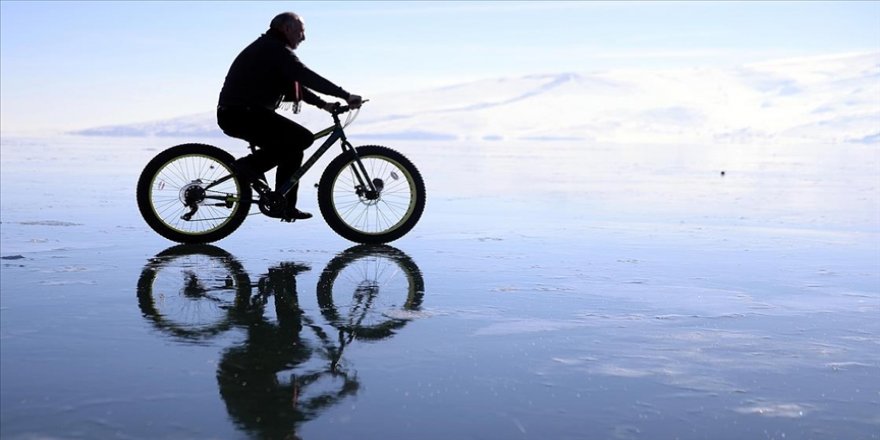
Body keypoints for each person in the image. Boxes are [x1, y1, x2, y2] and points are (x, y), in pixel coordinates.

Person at [217, 12, 362, 221]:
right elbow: (303, 74)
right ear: (286, 29)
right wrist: (345, 95)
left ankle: (285, 206)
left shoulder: (270, 48)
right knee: (302, 138)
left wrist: (324, 105)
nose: (303, 38)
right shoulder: (274, 49)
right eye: (301, 32)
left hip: (242, 113)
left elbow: (293, 86)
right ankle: (248, 166)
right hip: (242, 114)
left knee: (294, 147)